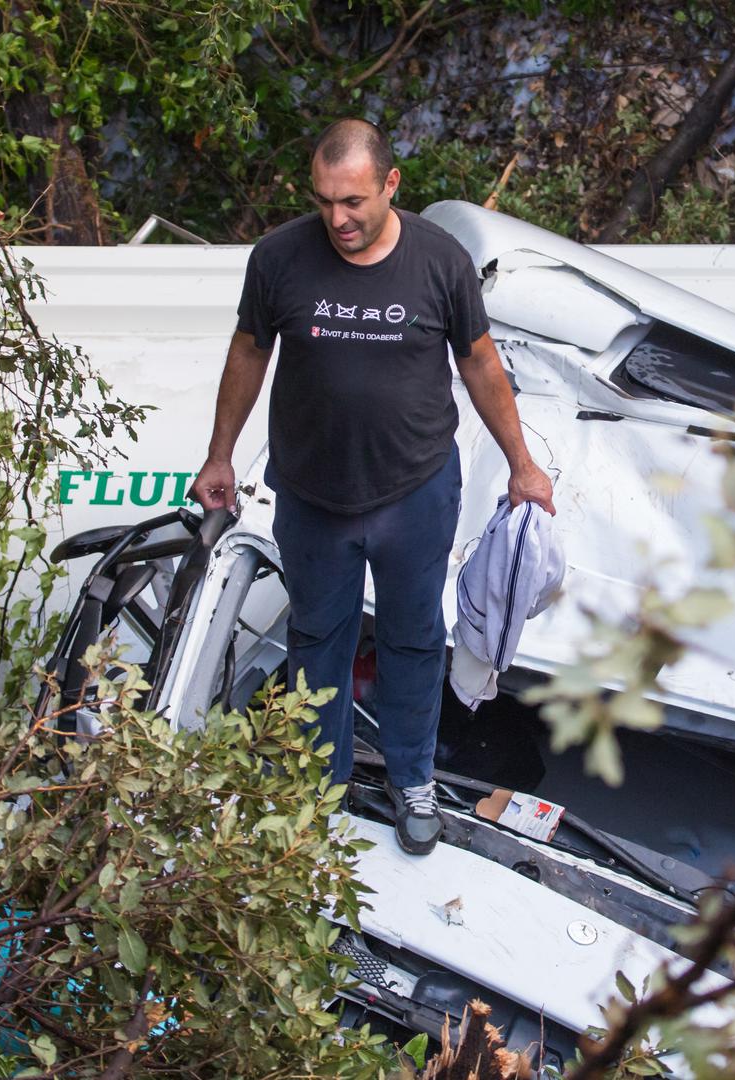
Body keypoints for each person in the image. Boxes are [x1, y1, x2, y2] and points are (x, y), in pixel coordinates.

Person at [191, 118, 555, 856]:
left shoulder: (439, 261)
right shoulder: (279, 259)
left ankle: (412, 780)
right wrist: (219, 455)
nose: (338, 220)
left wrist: (521, 461)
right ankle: (319, 789)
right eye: (324, 201)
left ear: (391, 184)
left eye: (353, 201)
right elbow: (248, 353)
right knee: (316, 639)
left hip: (413, 492)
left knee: (413, 639)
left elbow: (480, 363)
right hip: (313, 496)